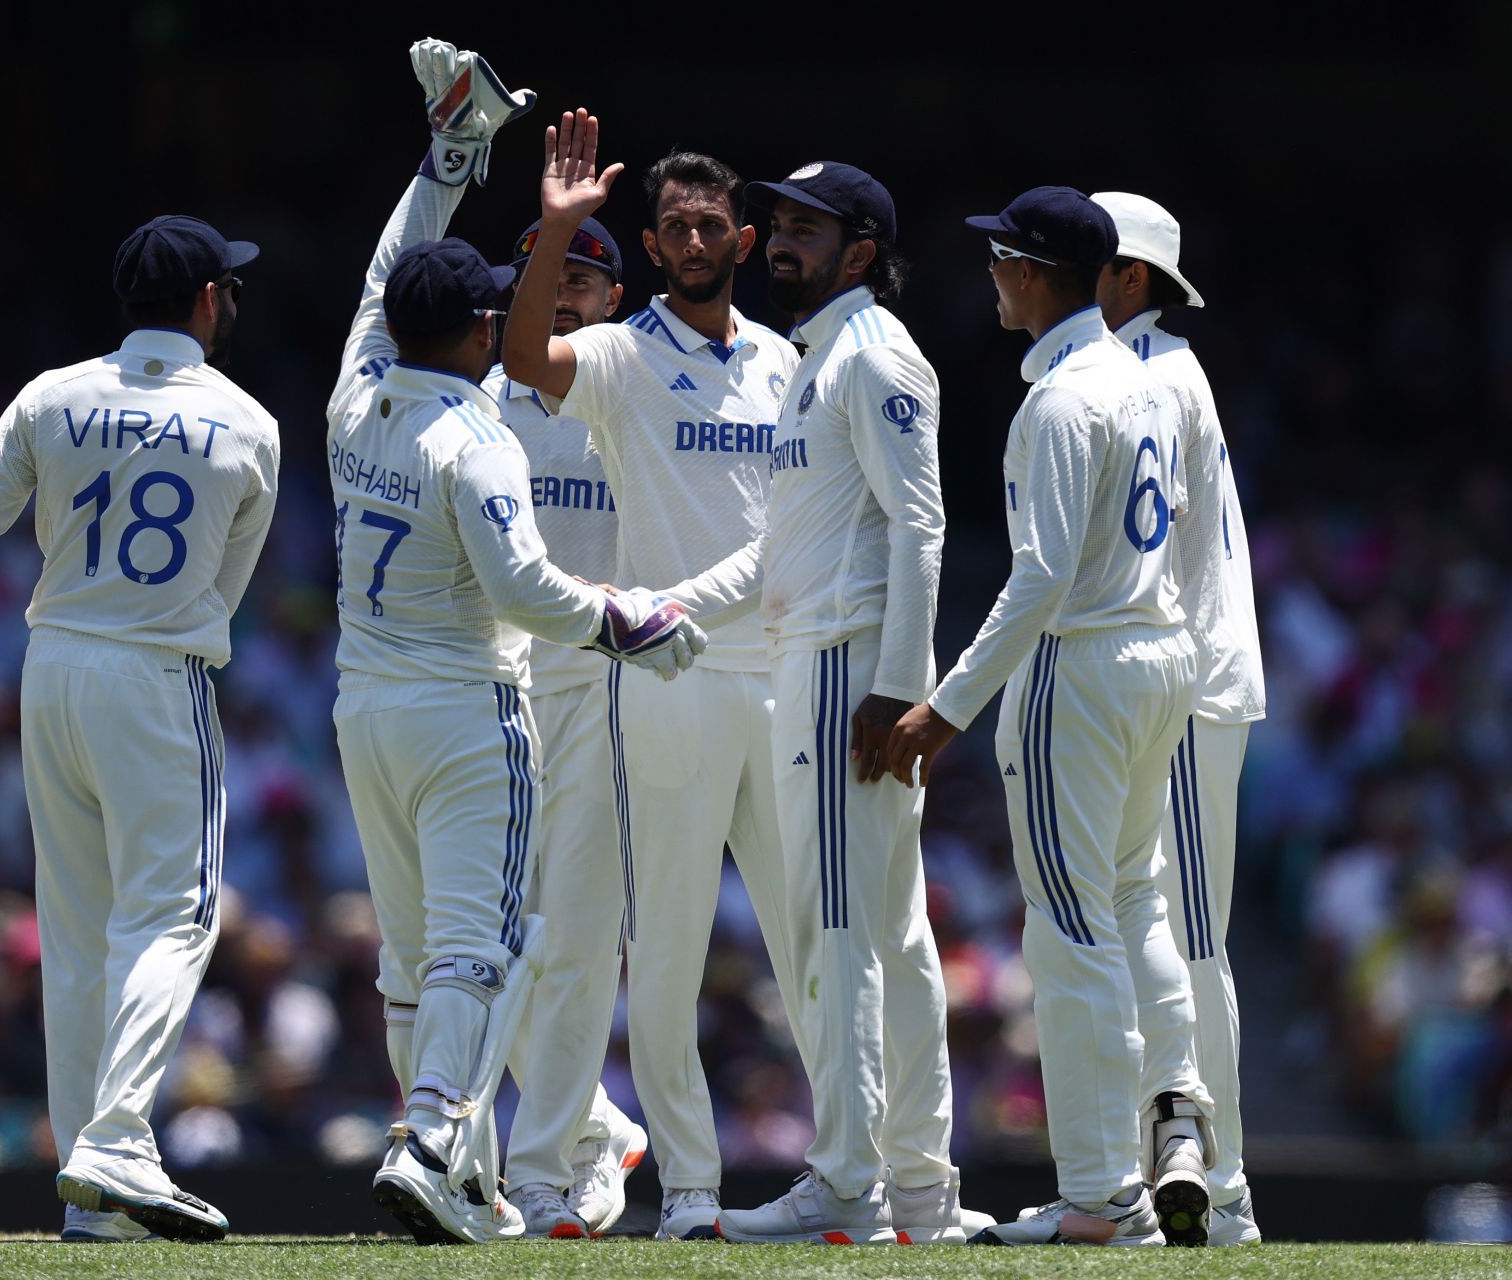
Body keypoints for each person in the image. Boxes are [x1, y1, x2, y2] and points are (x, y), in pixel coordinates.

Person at [327, 41, 703, 1246]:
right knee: (476, 950)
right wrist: (630, 622)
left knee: (431, 954)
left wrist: (450, 158)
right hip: (474, 706)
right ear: (485, 323)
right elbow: (530, 587)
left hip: (367, 708)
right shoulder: (476, 431)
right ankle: (444, 1139)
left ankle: (460, 1154)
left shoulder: (355, 394)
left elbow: (391, 271)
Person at [0, 213, 279, 1243]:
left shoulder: (53, 394)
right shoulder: (249, 421)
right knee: (173, 914)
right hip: (158, 673)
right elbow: (224, 592)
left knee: (76, 927)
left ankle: (93, 1196)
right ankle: (118, 1137)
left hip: (52, 665)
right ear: (209, 300)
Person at [883, 186, 1216, 1247]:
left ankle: (1101, 1198)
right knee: (1133, 900)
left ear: (1032, 273)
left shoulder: (1064, 397)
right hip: (1156, 652)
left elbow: (1039, 577)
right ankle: (1176, 1121)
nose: (990, 276)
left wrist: (947, 703)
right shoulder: (1148, 375)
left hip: (1084, 661)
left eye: (999, 260)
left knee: (1071, 932)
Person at [502, 110, 804, 1241]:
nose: (690, 236)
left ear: (744, 234)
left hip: (777, 678)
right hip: (664, 673)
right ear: (653, 237)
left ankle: (849, 1172)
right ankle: (687, 1187)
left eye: (708, 221)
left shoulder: (787, 360)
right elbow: (527, 359)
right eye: (671, 223)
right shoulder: (625, 354)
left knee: (808, 938)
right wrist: (553, 233)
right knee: (667, 954)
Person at [707, 162, 982, 1245]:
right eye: (776, 222)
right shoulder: (818, 358)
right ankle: (918, 1188)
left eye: (806, 227)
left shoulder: (872, 355)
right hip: (818, 650)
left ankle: (847, 1182)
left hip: (842, 664)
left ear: (861, 250)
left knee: (840, 930)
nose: (780, 240)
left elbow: (923, 527)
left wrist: (897, 687)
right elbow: (790, 540)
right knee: (891, 932)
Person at [1094, 190, 1266, 1247]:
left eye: (1083, 257)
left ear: (1132, 279)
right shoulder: (1115, 371)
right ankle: (1144, 1176)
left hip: (1190, 688)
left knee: (1192, 940)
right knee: (1134, 933)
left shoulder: (1164, 371)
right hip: (1152, 683)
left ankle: (1232, 1188)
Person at [482, 216, 648, 1240]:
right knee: (479, 943)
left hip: (602, 687)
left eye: (584, 281)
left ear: (615, 300)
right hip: (491, 686)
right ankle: (593, 1123)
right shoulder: (483, 398)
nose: (565, 297)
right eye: (550, 281)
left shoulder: (631, 392)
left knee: (578, 939)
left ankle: (540, 1171)